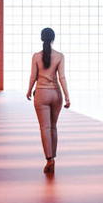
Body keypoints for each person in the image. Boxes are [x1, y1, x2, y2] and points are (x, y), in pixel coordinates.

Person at [26, 27, 70, 168]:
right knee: (53, 127)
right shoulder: (59, 56)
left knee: (45, 127)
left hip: (41, 93)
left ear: (41, 38)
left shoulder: (36, 56)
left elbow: (33, 76)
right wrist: (67, 96)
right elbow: (61, 77)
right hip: (56, 94)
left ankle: (49, 159)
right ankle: (53, 156)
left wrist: (29, 90)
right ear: (53, 39)